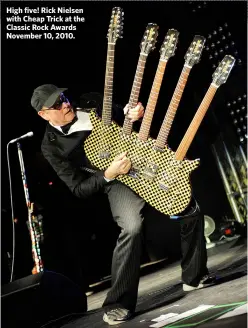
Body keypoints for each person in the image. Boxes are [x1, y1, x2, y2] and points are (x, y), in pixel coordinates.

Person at [31, 84, 215, 326]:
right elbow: (78, 188)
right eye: (56, 104)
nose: (65, 104)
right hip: (116, 180)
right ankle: (118, 303)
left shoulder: (91, 100)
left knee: (190, 207)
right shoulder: (51, 146)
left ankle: (194, 276)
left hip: (141, 159)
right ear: (43, 114)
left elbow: (122, 114)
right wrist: (108, 173)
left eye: (63, 98)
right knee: (131, 227)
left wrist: (132, 113)